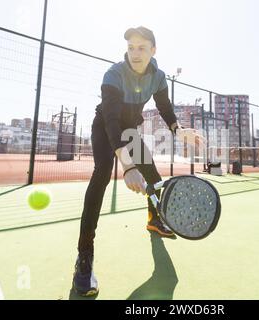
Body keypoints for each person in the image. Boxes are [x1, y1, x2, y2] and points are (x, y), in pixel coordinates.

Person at [72, 26, 203, 297]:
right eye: (131, 47)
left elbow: (165, 108)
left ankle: (155, 220)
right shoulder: (113, 74)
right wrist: (128, 166)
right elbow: (110, 121)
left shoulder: (158, 77)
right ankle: (84, 258)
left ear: (153, 50)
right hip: (104, 127)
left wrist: (180, 131)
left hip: (130, 130)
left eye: (141, 47)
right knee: (102, 173)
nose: (135, 53)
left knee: (153, 176)